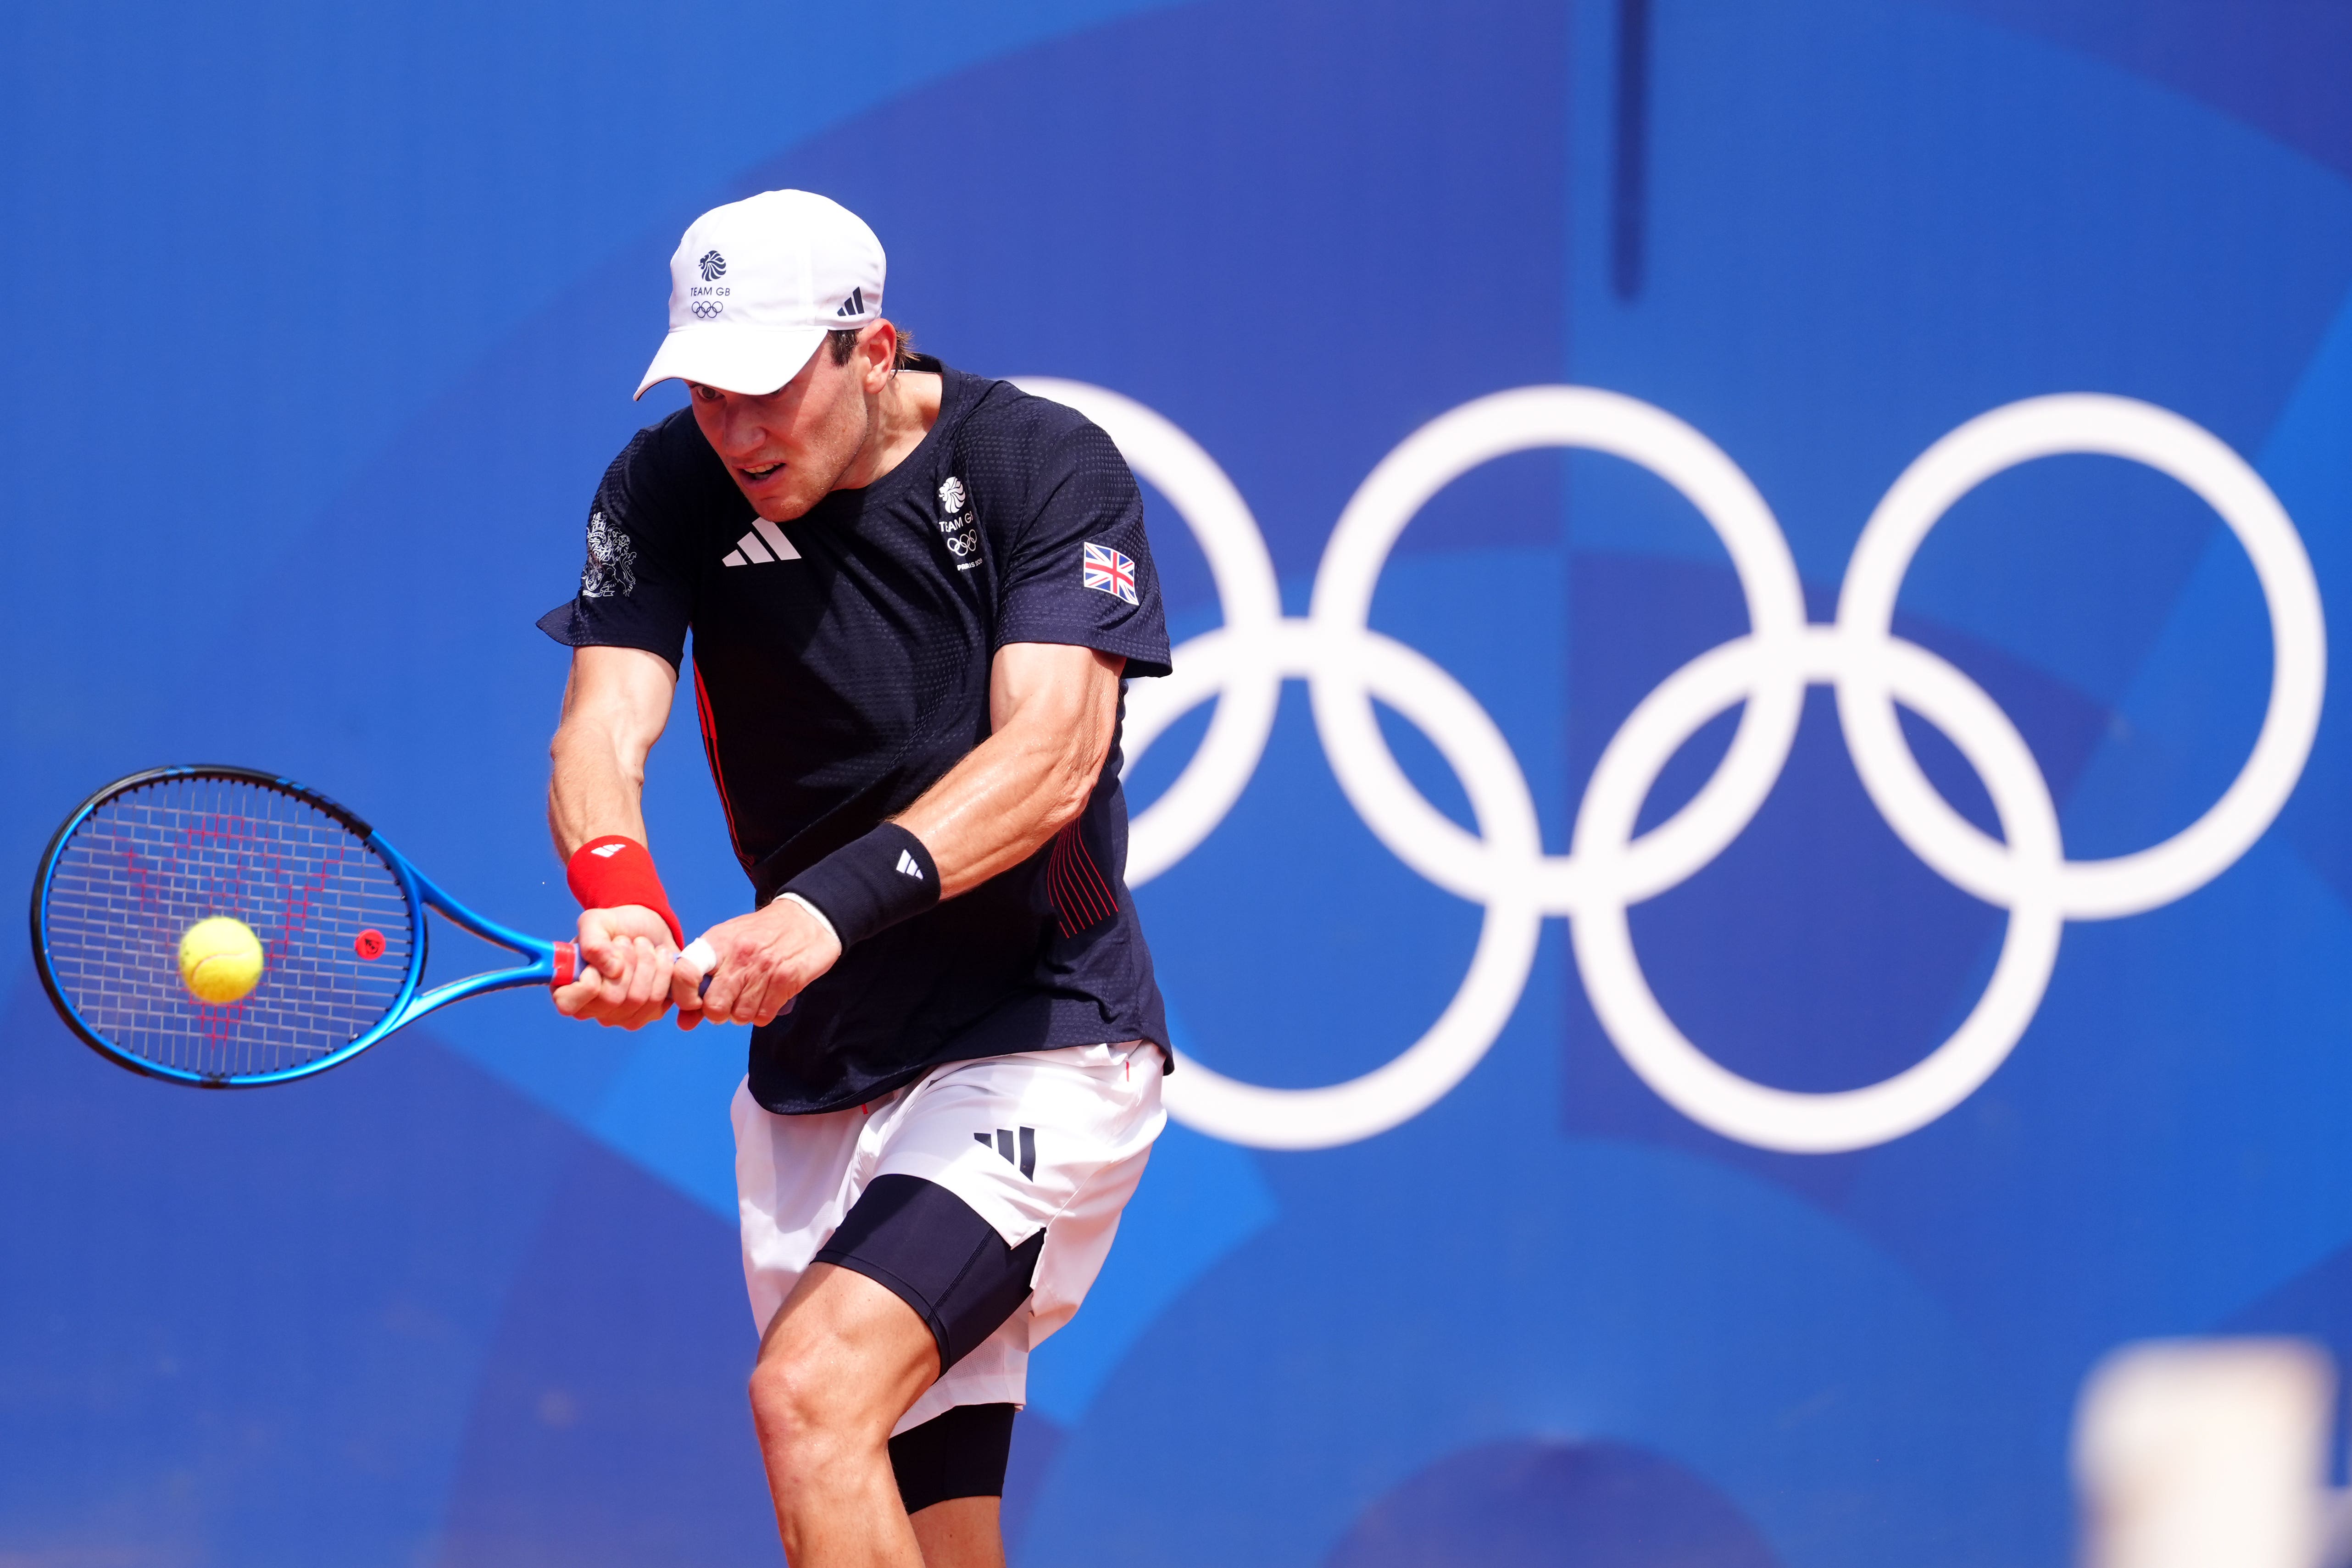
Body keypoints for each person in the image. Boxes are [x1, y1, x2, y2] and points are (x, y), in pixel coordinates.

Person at [534, 189, 1172, 1567]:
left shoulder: (1042, 465)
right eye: (709, 392)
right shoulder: (668, 485)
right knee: (927, 1518)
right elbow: (602, 726)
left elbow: (1055, 755)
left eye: (768, 392)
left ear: (871, 352)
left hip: (1038, 1036)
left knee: (811, 1395)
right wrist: (622, 895)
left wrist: (817, 912)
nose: (738, 430)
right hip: (822, 1071)